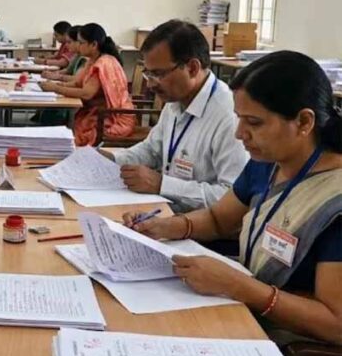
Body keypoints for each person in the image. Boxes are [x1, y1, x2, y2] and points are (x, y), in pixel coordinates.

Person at [123, 51, 342, 356]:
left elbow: (335, 324)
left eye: (253, 122)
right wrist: (170, 225)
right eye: (239, 119)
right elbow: (219, 219)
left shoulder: (334, 200)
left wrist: (240, 287)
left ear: (304, 122)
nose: (240, 134)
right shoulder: (268, 164)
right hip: (247, 321)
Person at [100, 20, 249, 212]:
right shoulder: (175, 101)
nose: (150, 84)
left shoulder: (230, 116)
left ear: (192, 68)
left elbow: (233, 197)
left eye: (158, 74)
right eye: (148, 73)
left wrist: (162, 184)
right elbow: (151, 150)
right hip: (167, 212)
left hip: (202, 226)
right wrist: (110, 159)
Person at [41, 23, 134, 146]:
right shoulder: (92, 60)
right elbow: (77, 83)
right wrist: (55, 85)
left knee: (77, 137)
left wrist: (56, 88)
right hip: (98, 112)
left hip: (113, 117)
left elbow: (86, 94)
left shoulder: (103, 63)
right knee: (72, 127)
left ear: (94, 44)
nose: (78, 46)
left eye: (81, 42)